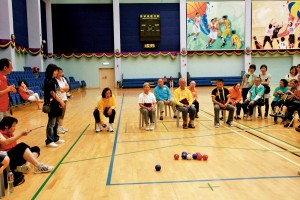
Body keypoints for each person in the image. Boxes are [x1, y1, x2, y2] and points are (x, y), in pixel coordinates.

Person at [44, 64, 65, 148]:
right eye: (55, 70)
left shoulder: (54, 80)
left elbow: (58, 91)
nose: (57, 72)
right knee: (51, 123)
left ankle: (55, 138)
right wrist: (61, 101)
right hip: (52, 103)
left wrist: (60, 101)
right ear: (51, 71)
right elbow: (52, 93)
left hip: (57, 103)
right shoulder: (48, 80)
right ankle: (49, 141)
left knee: (56, 122)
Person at [56, 68, 70, 134]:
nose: (61, 74)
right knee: (58, 114)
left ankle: (61, 126)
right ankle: (57, 128)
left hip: (64, 98)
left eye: (62, 72)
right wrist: (64, 89)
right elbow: (59, 89)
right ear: (57, 73)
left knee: (62, 114)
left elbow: (68, 88)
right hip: (58, 99)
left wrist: (63, 89)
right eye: (60, 72)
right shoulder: (55, 80)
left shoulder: (63, 79)